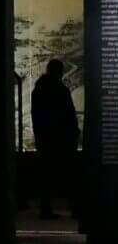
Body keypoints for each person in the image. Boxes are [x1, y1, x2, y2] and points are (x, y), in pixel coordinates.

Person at [31, 59, 78, 219]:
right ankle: (75, 208)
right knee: (70, 175)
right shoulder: (61, 90)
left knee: (46, 176)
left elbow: (36, 116)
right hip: (61, 140)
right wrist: (73, 134)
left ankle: (46, 209)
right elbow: (70, 116)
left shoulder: (38, 90)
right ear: (59, 72)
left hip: (45, 138)